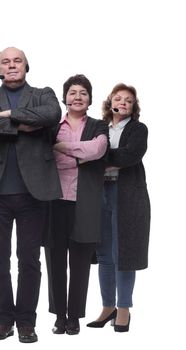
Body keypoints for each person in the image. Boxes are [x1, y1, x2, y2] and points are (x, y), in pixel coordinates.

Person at [0, 47, 62, 343]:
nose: (12, 65)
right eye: (5, 62)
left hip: (34, 193)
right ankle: (4, 320)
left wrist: (6, 116)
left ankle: (26, 323)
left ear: (26, 66)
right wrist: (23, 124)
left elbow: (52, 114)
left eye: (17, 60)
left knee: (29, 260)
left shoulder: (44, 93)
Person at [44, 74, 109, 335]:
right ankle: (60, 315)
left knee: (81, 262)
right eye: (72, 92)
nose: (77, 96)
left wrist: (61, 147)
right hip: (54, 200)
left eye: (83, 92)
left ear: (90, 99)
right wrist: (80, 153)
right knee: (55, 260)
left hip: (85, 201)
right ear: (65, 98)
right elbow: (44, 152)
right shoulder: (51, 126)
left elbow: (98, 150)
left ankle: (74, 316)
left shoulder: (98, 125)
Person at [87, 83, 150, 332]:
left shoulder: (138, 129)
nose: (123, 103)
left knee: (123, 254)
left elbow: (130, 155)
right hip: (98, 193)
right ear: (110, 102)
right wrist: (95, 155)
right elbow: (89, 151)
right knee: (103, 254)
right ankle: (107, 307)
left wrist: (97, 156)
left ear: (133, 107)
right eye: (119, 98)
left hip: (127, 196)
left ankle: (123, 309)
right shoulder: (99, 128)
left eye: (129, 100)